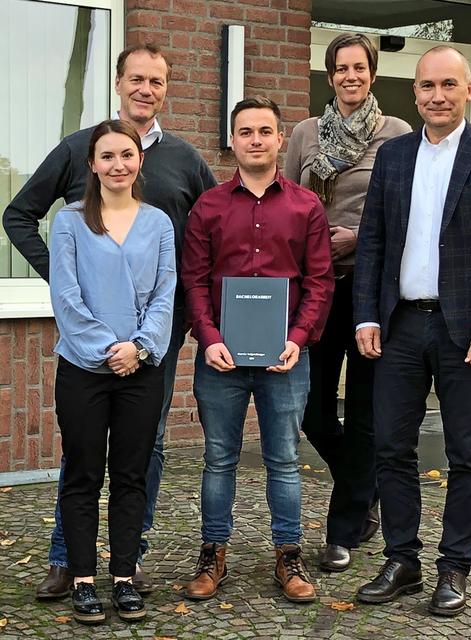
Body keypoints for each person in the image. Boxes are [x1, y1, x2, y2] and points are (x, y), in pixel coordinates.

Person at [2, 44, 216, 598]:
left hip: (154, 340)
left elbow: (211, 235)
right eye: (136, 79)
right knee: (83, 456)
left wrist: (188, 318)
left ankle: (130, 557)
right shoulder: (78, 149)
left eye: (157, 81)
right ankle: (66, 561)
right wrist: (62, 276)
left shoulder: (187, 160)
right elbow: (19, 214)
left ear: (166, 89)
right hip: (87, 339)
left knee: (149, 447)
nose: (146, 89)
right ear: (119, 83)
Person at [353, 46, 471, 616]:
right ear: (416, 92)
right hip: (400, 324)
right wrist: (367, 314)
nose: (436, 96)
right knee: (390, 448)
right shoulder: (395, 156)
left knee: (468, 453)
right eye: (427, 86)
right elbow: (374, 241)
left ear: (469, 90)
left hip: (465, 332)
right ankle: (402, 559)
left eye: (448, 85)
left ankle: (455, 565)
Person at [181, 97, 334, 603]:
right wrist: (209, 338)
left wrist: (297, 338)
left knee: (285, 459)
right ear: (233, 140)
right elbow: (195, 281)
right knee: (219, 459)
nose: (255, 140)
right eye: (245, 131)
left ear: (279, 138)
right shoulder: (208, 206)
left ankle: (288, 555)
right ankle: (213, 552)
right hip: (222, 359)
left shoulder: (306, 206)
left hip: (285, 358)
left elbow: (319, 281)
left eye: (264, 131)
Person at [284, 32, 411, 572]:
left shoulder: (397, 134)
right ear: (330, 74)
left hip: (369, 288)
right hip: (317, 288)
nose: (350, 76)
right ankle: (368, 483)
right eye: (340, 68)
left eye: (359, 68)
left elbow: (403, 213)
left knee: (362, 412)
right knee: (311, 411)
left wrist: (358, 237)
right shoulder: (305, 134)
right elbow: (288, 201)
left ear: (372, 73)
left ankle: (343, 530)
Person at [50, 119, 175, 624]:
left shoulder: (160, 222)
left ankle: (124, 575)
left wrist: (140, 349)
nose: (117, 164)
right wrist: (108, 348)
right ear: (92, 164)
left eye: (126, 155)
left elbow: (167, 293)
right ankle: (82, 578)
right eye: (107, 156)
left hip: (141, 371)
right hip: (83, 367)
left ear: (139, 160)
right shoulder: (69, 221)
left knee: (131, 474)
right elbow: (66, 295)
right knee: (82, 474)